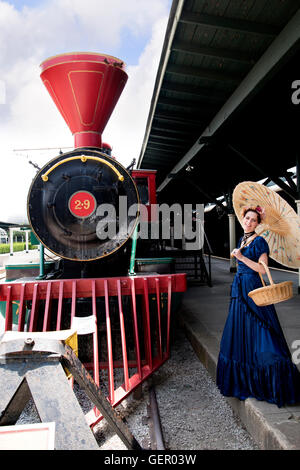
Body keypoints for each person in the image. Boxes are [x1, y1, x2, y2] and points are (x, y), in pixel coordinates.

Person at [216, 206, 300, 407]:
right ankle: (246, 380)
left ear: (258, 223)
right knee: (239, 333)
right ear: (242, 219)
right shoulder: (243, 239)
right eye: (247, 218)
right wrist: (237, 256)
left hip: (253, 290)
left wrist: (242, 258)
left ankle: (275, 382)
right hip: (239, 289)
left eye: (254, 220)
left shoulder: (260, 241)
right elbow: (241, 264)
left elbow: (263, 269)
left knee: (262, 331)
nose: (249, 222)